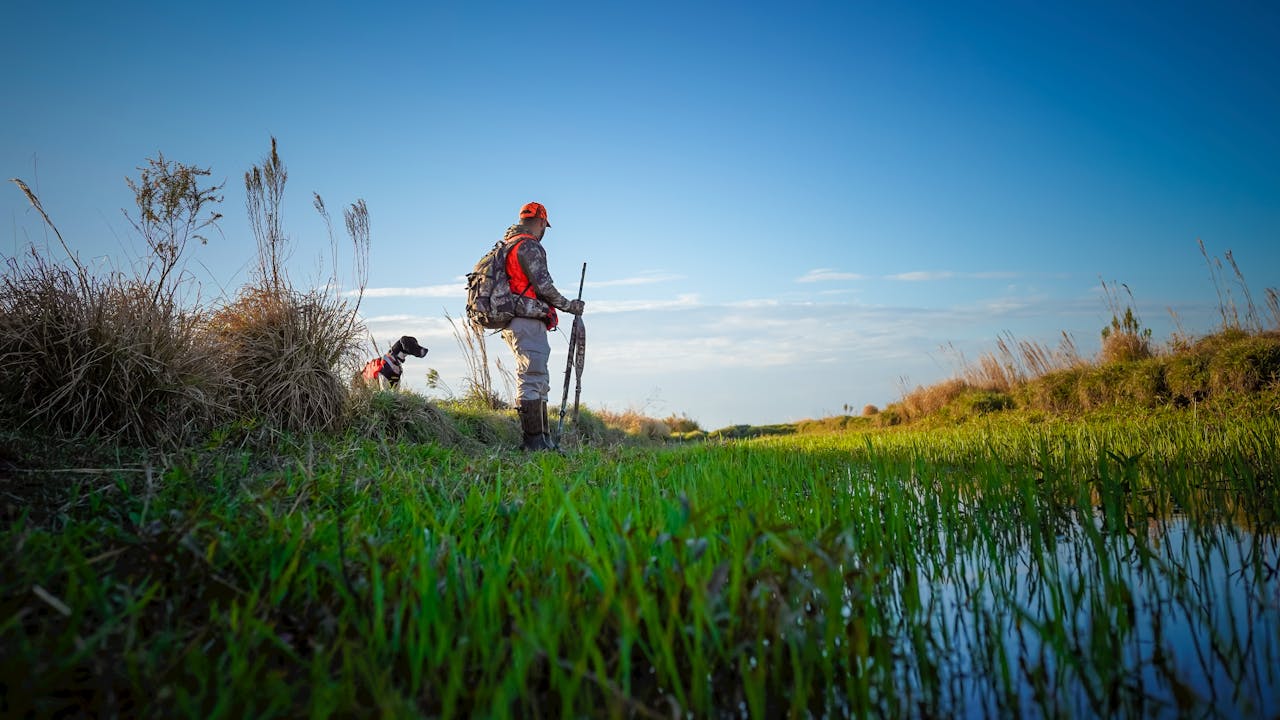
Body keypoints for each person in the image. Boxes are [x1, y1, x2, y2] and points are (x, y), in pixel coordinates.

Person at [499, 202, 585, 450]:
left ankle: (543, 440)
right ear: (540, 222)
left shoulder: (508, 244)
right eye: (544, 226)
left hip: (516, 319)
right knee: (532, 377)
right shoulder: (528, 245)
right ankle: (534, 443)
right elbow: (544, 286)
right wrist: (570, 306)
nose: (544, 230)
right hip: (526, 319)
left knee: (537, 378)